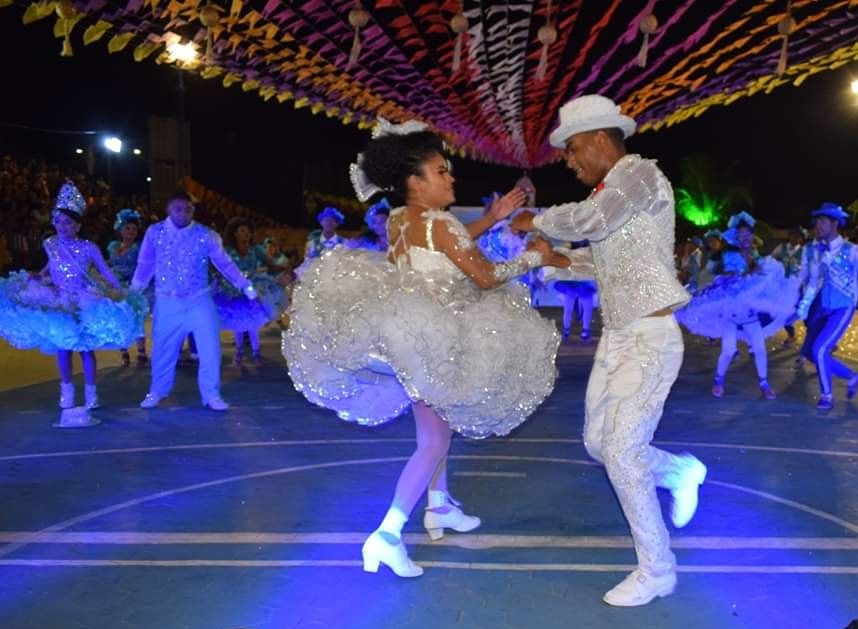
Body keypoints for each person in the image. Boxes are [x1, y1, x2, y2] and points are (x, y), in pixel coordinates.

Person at [285, 119, 567, 578]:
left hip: (407, 337)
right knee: (433, 441)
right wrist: (537, 257)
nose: (451, 177)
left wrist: (493, 217)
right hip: (437, 339)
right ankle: (387, 535)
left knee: (441, 424)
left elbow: (444, 243)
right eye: (441, 171)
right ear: (416, 181)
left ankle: (439, 506)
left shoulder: (402, 218)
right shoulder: (441, 223)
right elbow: (485, 276)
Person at [512, 94, 707, 607]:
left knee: (621, 451)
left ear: (601, 138)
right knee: (600, 444)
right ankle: (680, 472)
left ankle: (658, 570)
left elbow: (591, 221)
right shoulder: (611, 196)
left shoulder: (639, 176)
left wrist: (537, 220)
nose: (569, 160)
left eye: (573, 148)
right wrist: (554, 260)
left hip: (651, 338)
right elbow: (602, 266)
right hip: (618, 338)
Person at [0, 182, 146, 409]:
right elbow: (52, 264)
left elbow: (105, 270)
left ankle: (91, 394)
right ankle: (66, 393)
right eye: (58, 221)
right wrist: (40, 274)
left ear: (78, 225)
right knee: (63, 348)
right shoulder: (50, 243)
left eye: (68, 222)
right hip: (59, 298)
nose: (62, 226)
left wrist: (120, 289)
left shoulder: (89, 247)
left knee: (85, 349)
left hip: (84, 299)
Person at [132, 191, 257, 411]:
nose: (183, 214)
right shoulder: (155, 232)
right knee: (163, 348)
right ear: (169, 210)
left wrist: (246, 286)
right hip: (167, 301)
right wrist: (135, 290)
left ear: (193, 210)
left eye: (188, 209)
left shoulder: (205, 234)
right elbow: (145, 263)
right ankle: (157, 391)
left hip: (199, 300)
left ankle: (211, 394)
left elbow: (224, 263)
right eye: (178, 209)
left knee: (210, 348)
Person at [677, 212, 798, 400]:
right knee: (728, 350)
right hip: (732, 314)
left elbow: (761, 277)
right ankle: (718, 381)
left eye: (748, 234)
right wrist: (738, 274)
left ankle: (764, 383)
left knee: (759, 349)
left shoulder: (756, 256)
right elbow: (725, 278)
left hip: (750, 314)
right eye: (741, 235)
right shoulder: (730, 255)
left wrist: (757, 270)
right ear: (735, 237)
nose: (745, 238)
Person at [794, 203, 858, 410]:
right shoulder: (818, 251)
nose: (818, 226)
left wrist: (856, 291)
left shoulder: (851, 250)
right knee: (812, 352)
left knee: (819, 349)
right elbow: (813, 282)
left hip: (842, 309)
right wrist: (804, 306)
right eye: (817, 222)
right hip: (823, 309)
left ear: (835, 224)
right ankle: (852, 377)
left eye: (822, 221)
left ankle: (827, 396)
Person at [215, 217, 287, 366]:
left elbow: (271, 264)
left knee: (252, 324)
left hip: (253, 289)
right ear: (235, 233)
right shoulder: (227, 250)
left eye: (248, 231)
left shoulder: (256, 250)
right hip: (233, 290)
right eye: (242, 231)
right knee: (238, 324)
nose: (246, 234)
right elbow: (222, 268)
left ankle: (255, 353)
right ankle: (239, 352)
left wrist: (287, 270)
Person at [107, 208, 148, 367]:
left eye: (134, 229)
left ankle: (141, 352)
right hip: (117, 287)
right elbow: (110, 263)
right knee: (120, 319)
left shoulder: (139, 248)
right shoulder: (113, 246)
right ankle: (123, 351)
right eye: (127, 228)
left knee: (137, 318)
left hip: (133, 287)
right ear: (120, 229)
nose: (131, 232)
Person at [771, 226, 808, 347]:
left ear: (802, 239)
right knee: (783, 313)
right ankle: (791, 336)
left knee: (802, 312)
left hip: (797, 288)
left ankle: (812, 336)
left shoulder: (804, 252)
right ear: (790, 235)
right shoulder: (781, 248)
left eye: (799, 236)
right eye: (793, 235)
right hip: (782, 287)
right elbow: (771, 260)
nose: (795, 238)